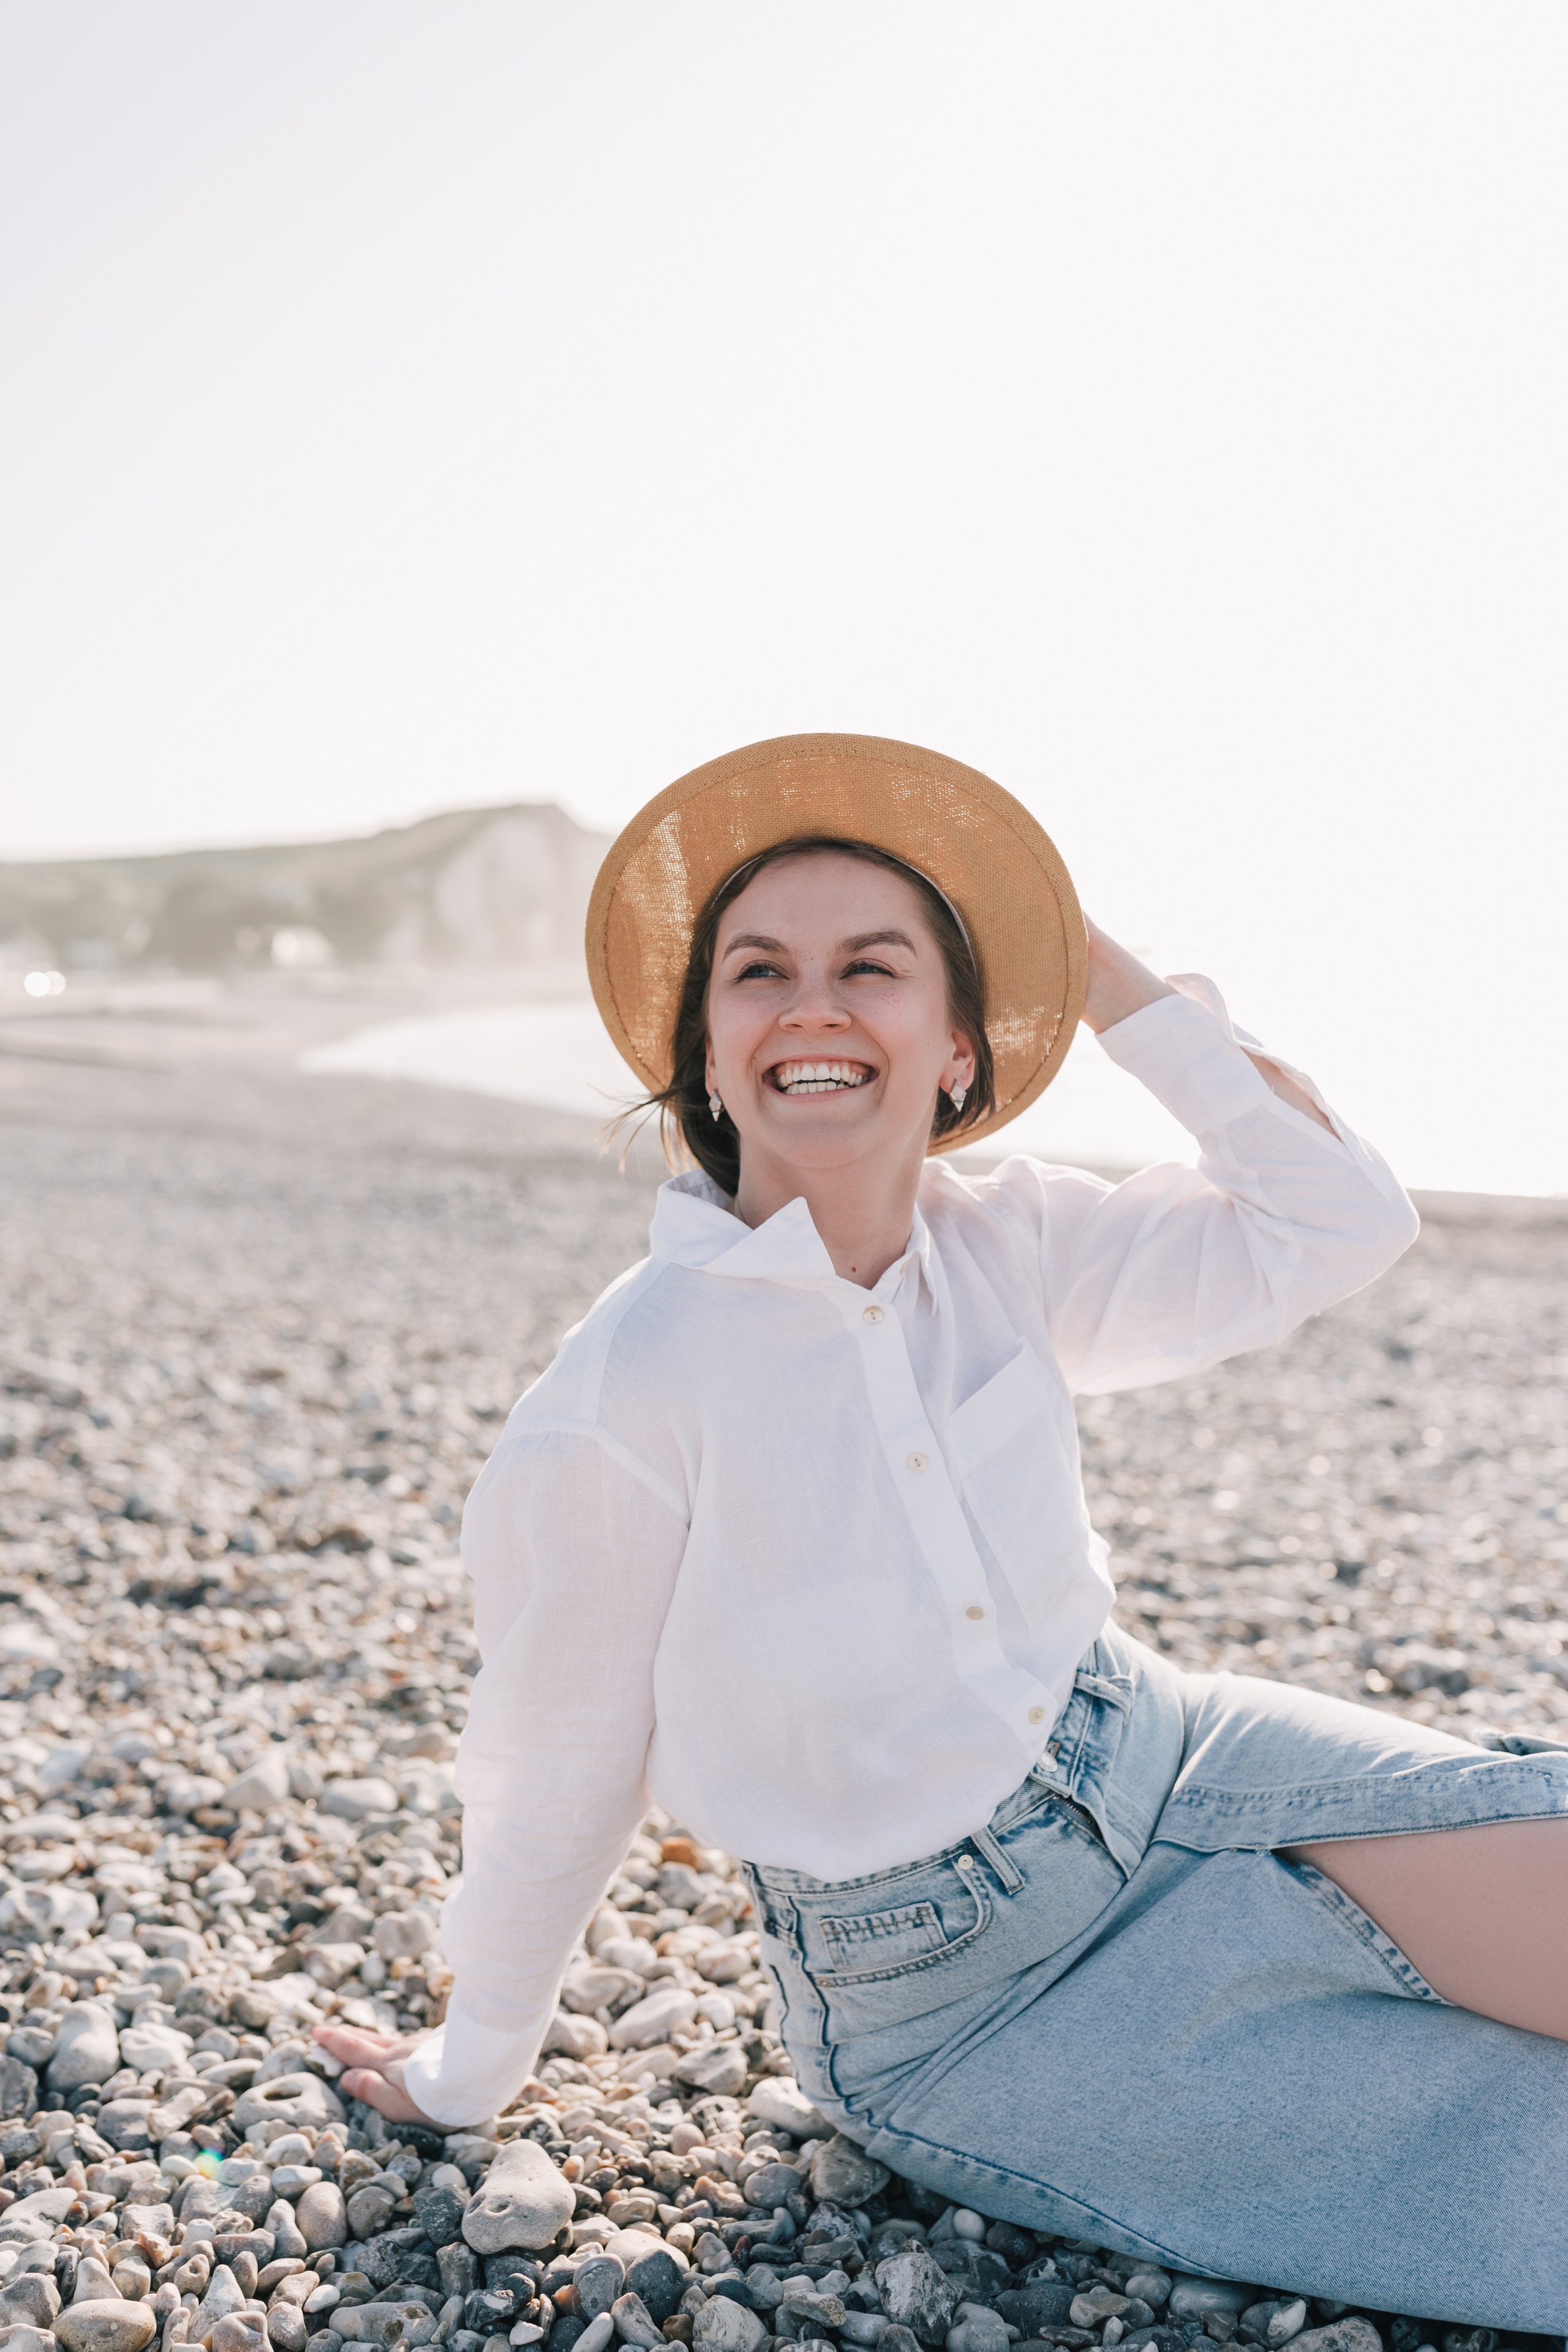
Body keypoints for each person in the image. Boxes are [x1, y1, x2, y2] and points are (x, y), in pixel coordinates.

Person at [317, 735, 1568, 2328]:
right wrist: (470, 2065)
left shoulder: (1018, 1244)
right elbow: (558, 1764)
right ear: (710, 1057)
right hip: (964, 1997)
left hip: (1171, 1753)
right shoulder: (628, 1390)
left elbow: (1338, 1221)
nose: (814, 1006)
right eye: (759, 972)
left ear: (961, 1050)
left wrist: (1093, 972)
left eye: (874, 968)